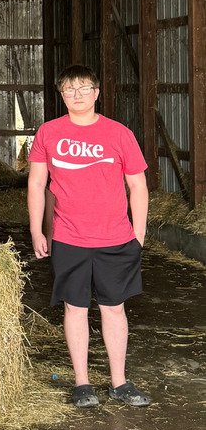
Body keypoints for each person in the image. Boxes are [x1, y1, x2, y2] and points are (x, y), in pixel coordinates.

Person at [28, 65, 150, 409]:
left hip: (116, 238)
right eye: (70, 90)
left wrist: (138, 235)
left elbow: (138, 186)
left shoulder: (119, 133)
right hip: (69, 238)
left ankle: (119, 382)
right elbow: (36, 184)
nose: (77, 95)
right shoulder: (49, 132)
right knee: (75, 308)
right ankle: (82, 383)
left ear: (96, 93)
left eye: (84, 89)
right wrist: (37, 230)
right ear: (61, 95)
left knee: (114, 308)